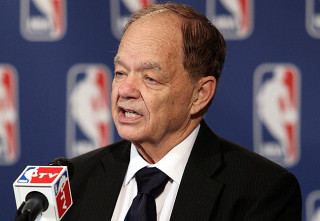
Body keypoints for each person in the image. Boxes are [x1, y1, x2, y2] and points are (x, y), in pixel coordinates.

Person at [61, 3, 302, 221]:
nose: (125, 90)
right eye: (120, 72)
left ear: (200, 95)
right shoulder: (71, 182)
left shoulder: (260, 192)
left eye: (150, 78)